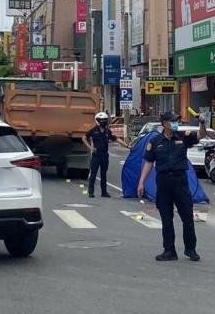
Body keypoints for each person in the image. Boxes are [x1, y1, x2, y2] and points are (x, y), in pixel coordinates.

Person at [137, 110, 206, 262]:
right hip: (163, 183)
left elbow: (201, 135)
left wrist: (202, 122)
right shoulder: (155, 142)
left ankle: (191, 249)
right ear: (165, 124)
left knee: (187, 216)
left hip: (180, 181)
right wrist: (141, 182)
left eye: (177, 120)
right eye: (173, 121)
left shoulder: (183, 137)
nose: (177, 123)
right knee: (166, 218)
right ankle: (169, 250)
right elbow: (149, 163)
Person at [83, 112, 130, 198]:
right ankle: (91, 191)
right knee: (93, 173)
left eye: (105, 120)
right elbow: (84, 138)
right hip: (96, 155)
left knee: (103, 174)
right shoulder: (94, 130)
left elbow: (117, 139)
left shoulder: (107, 131)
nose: (104, 122)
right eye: (102, 120)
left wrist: (127, 146)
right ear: (97, 121)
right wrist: (90, 148)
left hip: (104, 155)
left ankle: (104, 192)